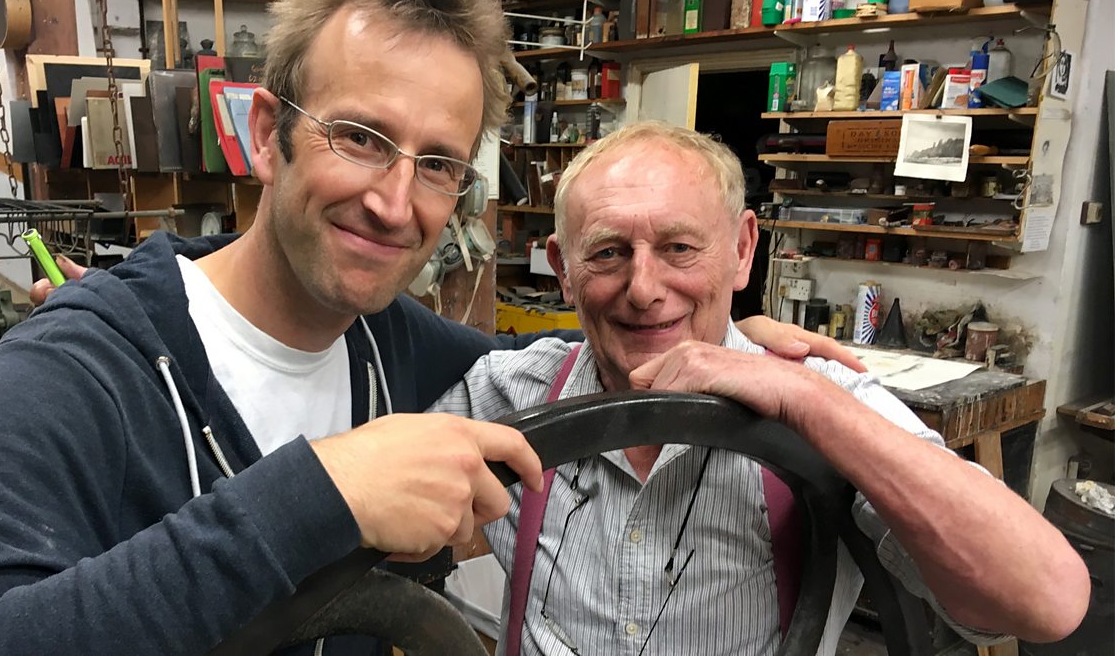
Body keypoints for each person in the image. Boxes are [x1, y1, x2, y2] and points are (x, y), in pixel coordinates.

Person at [0, 0, 848, 654]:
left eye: (437, 163)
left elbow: (561, 351)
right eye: (360, 137)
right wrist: (321, 494)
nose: (396, 202)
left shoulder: (394, 343)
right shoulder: (73, 371)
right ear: (266, 135)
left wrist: (716, 338)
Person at [431, 121, 1090, 655]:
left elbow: (1047, 601)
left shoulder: (825, 400)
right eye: (608, 253)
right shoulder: (510, 391)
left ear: (744, 249)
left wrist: (806, 399)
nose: (644, 288)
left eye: (680, 247)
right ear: (563, 269)